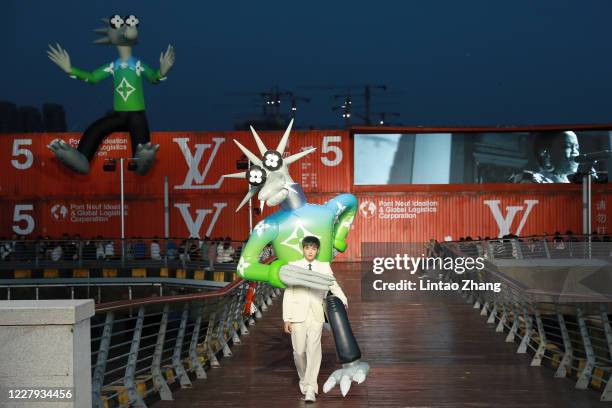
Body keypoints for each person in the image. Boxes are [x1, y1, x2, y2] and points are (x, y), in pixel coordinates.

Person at [282, 236, 348, 403]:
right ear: (303, 249)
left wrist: (343, 299)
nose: (310, 251)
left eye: (313, 248)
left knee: (314, 350)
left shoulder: (323, 266)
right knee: (299, 352)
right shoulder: (293, 266)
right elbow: (288, 292)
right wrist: (287, 318)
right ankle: (304, 380)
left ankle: (311, 387)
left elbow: (333, 284)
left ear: (317, 250)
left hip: (316, 313)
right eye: (307, 248)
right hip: (297, 314)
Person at [509, 131, 595, 183]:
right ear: (546, 153)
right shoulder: (525, 177)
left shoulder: (569, 184)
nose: (575, 152)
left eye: (577, 148)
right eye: (567, 146)